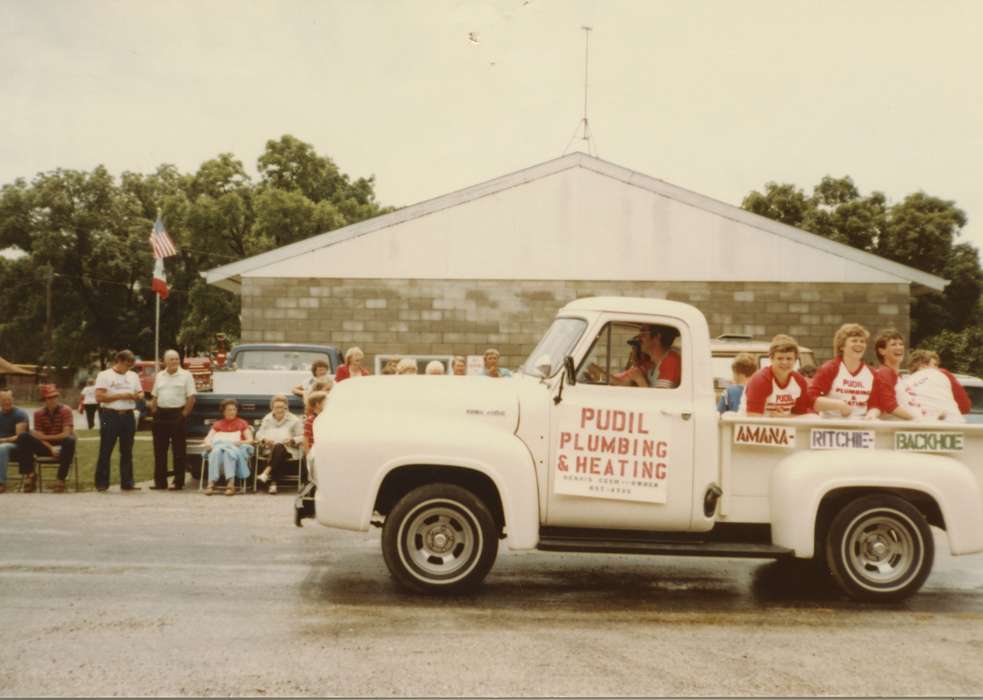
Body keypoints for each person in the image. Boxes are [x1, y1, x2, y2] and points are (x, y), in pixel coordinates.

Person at [808, 323, 888, 419]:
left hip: (861, 426)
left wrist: (872, 414)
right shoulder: (830, 368)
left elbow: (876, 404)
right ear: (842, 346)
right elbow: (810, 399)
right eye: (854, 341)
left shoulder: (872, 373)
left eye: (862, 341)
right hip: (831, 426)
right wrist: (839, 405)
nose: (859, 344)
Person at [94, 350, 143, 491]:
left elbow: (139, 392)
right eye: (127, 364)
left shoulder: (133, 376)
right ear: (119, 361)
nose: (129, 368)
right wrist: (121, 395)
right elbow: (99, 397)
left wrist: (138, 395)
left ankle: (127, 482)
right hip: (110, 415)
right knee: (106, 449)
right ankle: (102, 483)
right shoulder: (104, 375)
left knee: (127, 450)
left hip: (128, 415)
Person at [149, 349, 196, 491]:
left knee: (178, 451)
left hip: (178, 414)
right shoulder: (159, 376)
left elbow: (191, 398)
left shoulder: (186, 375)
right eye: (171, 359)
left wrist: (184, 414)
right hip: (160, 415)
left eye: (176, 359)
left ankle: (178, 482)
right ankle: (160, 482)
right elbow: (155, 396)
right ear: (165, 361)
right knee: (159, 451)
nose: (175, 361)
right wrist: (154, 411)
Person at [16, 385, 77, 493]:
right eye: (49, 398)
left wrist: (44, 437)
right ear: (44, 400)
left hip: (62, 445)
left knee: (70, 440)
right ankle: (30, 475)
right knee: (23, 436)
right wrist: (51, 447)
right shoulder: (38, 413)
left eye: (54, 397)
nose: (53, 400)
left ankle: (60, 479)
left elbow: (66, 433)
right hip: (45, 446)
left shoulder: (66, 410)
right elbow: (38, 436)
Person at [739, 336, 813, 416]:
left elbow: (799, 415)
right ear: (771, 359)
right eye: (780, 358)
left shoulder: (800, 382)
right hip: (751, 425)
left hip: (782, 425)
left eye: (789, 359)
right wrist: (776, 420)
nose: (784, 362)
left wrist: (783, 420)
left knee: (812, 417)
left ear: (795, 360)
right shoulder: (760, 380)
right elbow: (753, 417)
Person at [896, 350, 971, 422]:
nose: (937, 368)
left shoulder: (903, 383)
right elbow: (965, 406)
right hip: (948, 424)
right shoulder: (942, 374)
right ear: (922, 365)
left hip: (915, 425)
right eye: (935, 365)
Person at [203, 399, 253, 496]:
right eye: (229, 410)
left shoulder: (242, 423)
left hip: (235, 448)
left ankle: (230, 484)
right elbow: (208, 438)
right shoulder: (217, 424)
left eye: (234, 409)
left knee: (228, 453)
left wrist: (240, 442)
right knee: (216, 451)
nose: (232, 412)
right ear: (223, 411)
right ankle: (211, 483)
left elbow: (250, 440)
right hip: (219, 448)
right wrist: (208, 444)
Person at [255, 394, 304, 495]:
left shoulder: (294, 420)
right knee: (278, 451)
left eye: (282, 407)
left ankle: (266, 473)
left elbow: (302, 436)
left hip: (289, 450)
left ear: (287, 407)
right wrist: (264, 439)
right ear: (272, 408)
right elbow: (258, 434)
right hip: (270, 449)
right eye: (276, 407)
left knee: (279, 447)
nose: (279, 410)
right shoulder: (267, 419)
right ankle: (273, 484)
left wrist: (292, 440)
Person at [870, 329, 915, 420]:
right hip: (893, 429)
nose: (899, 347)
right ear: (882, 351)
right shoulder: (884, 373)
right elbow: (890, 406)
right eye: (893, 344)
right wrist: (917, 420)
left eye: (901, 344)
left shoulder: (899, 376)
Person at [0, 389, 29, 494]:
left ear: (13, 399)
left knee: (2, 448)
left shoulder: (20, 414)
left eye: (9, 399)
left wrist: (2, 440)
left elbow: (19, 436)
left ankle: (1, 483)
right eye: (3, 400)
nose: (7, 402)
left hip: (18, 448)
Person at [303, 391, 329, 455]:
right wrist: (308, 455)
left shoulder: (325, 418)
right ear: (317, 404)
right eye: (326, 402)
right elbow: (306, 439)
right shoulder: (311, 420)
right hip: (314, 452)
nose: (328, 404)